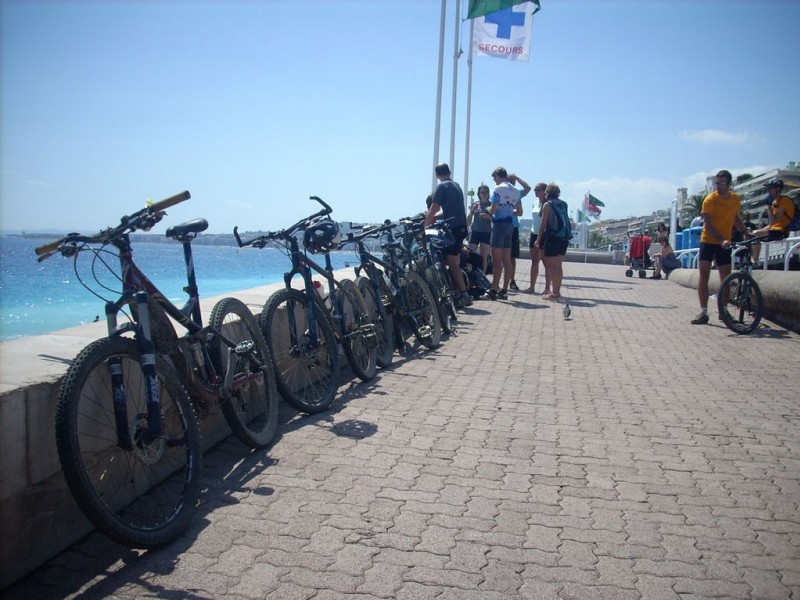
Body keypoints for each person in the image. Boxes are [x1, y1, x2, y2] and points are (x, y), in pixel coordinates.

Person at [691, 169, 746, 325]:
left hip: (725, 243)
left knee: (726, 279)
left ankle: (723, 311)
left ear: (729, 183)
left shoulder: (734, 199)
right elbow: (708, 224)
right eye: (716, 182)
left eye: (720, 182)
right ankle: (703, 312)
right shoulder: (710, 200)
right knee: (704, 276)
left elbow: (735, 217)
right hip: (708, 242)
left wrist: (745, 231)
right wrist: (721, 240)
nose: (717, 185)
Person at [425, 163, 472, 308]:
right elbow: (449, 211)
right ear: (449, 172)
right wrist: (433, 218)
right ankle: (456, 290)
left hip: (454, 229)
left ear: (437, 175)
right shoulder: (455, 185)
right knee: (451, 260)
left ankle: (463, 294)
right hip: (461, 227)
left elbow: (434, 207)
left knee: (452, 263)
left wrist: (425, 224)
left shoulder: (442, 187)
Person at [486, 167, 522, 300]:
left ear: (498, 175)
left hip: (499, 225)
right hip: (510, 225)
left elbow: (493, 209)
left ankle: (494, 289)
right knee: (507, 259)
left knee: (496, 260)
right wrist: (508, 209)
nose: (494, 180)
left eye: (494, 177)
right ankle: (505, 289)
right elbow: (519, 212)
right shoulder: (516, 191)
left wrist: (488, 210)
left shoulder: (497, 189)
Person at [535, 182, 569, 301]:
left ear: (547, 192)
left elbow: (543, 224)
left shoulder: (547, 205)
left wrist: (538, 240)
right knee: (558, 266)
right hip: (564, 238)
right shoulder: (564, 204)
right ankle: (557, 291)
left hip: (553, 237)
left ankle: (554, 293)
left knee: (551, 266)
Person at [748, 177, 795, 242]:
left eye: (770, 188)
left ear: (778, 189)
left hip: (782, 230)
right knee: (750, 234)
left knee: (756, 234)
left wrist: (769, 206)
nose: (768, 191)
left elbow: (773, 222)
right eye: (767, 188)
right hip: (774, 229)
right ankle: (751, 252)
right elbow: (771, 224)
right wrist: (756, 231)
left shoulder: (785, 201)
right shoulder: (774, 202)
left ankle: (754, 252)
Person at [524, 182, 549, 294]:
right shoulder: (534, 203)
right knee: (534, 261)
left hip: (544, 234)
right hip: (534, 232)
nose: (536, 191)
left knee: (546, 262)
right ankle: (532, 286)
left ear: (545, 191)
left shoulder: (548, 204)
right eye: (535, 189)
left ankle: (547, 288)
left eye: (538, 189)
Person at [507, 174, 531, 291]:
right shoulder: (500, 192)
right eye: (509, 181)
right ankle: (501, 281)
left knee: (512, 256)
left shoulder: (517, 193)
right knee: (500, 255)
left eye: (513, 181)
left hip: (513, 227)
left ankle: (512, 280)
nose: (512, 183)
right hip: (501, 225)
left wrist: (517, 177)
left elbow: (528, 188)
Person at [466, 184, 492, 272]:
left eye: (486, 192)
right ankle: (470, 274)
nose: (484, 194)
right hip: (475, 232)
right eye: (482, 192)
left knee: (484, 256)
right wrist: (472, 211)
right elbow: (468, 221)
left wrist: (487, 216)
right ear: (479, 194)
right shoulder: (475, 204)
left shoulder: (491, 205)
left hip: (486, 232)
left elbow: (495, 220)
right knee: (469, 253)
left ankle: (483, 276)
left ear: (488, 193)